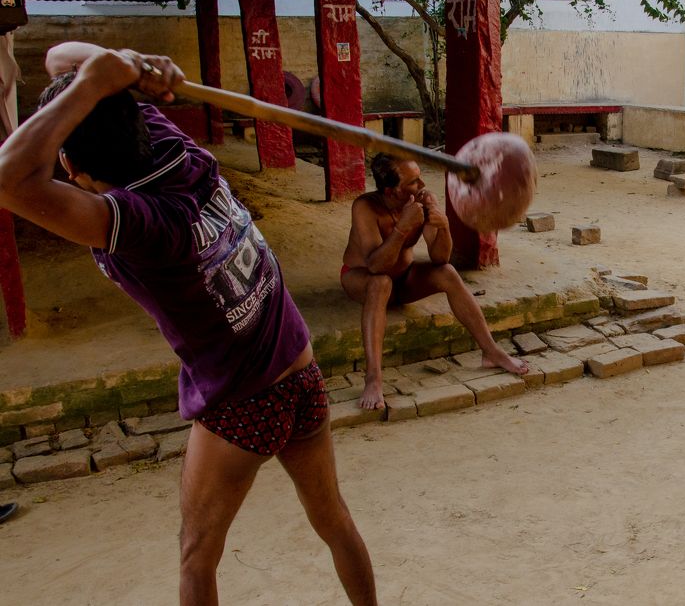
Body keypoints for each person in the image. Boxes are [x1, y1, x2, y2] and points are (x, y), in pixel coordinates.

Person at [0, 42, 377, 606]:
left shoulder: (140, 221)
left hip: (242, 405)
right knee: (334, 520)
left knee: (196, 557)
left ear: (70, 169)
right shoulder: (171, 146)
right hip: (300, 372)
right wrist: (131, 62)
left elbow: (8, 180)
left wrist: (107, 73)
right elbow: (60, 56)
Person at [341, 153, 529, 409]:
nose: (421, 186)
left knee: (449, 273)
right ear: (392, 191)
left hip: (403, 279)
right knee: (380, 283)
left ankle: (491, 350)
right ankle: (373, 377)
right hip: (362, 279)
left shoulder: (423, 201)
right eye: (414, 181)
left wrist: (444, 226)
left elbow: (440, 257)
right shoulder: (365, 207)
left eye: (420, 178)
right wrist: (402, 228)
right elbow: (375, 266)